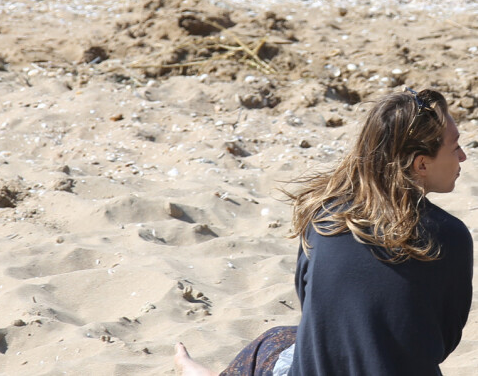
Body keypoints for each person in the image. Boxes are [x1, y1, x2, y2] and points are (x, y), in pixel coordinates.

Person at [175, 88, 473, 376]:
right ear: (421, 163)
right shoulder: (451, 236)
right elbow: (442, 342)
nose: (463, 157)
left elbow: (315, 312)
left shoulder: (324, 217)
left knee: (273, 344)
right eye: (455, 146)